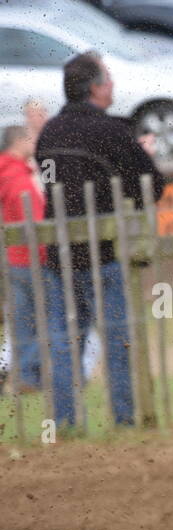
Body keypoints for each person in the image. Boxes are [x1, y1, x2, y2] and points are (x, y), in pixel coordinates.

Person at [37, 51, 163, 426]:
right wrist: (139, 158)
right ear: (95, 88)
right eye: (108, 80)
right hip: (104, 255)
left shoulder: (49, 132)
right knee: (118, 340)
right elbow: (149, 185)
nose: (112, 86)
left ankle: (64, 423)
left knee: (64, 340)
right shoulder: (111, 133)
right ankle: (124, 419)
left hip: (59, 256)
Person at [0, 124, 70, 412]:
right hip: (31, 258)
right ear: (19, 142)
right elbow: (33, 212)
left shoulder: (10, 171)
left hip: (16, 259)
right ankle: (30, 376)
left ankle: (28, 375)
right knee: (42, 318)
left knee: (24, 321)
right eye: (31, 139)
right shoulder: (16, 175)